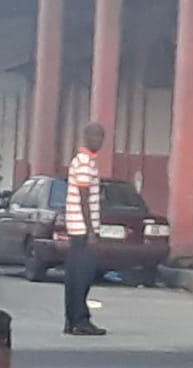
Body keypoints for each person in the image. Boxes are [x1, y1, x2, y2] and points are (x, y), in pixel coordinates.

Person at [63, 122, 107, 336]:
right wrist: (91, 231)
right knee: (83, 276)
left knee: (73, 276)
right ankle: (80, 321)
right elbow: (84, 198)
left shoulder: (83, 161)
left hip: (76, 228)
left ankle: (71, 321)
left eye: (102, 138)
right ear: (86, 137)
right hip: (81, 230)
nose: (99, 142)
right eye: (96, 137)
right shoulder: (84, 162)